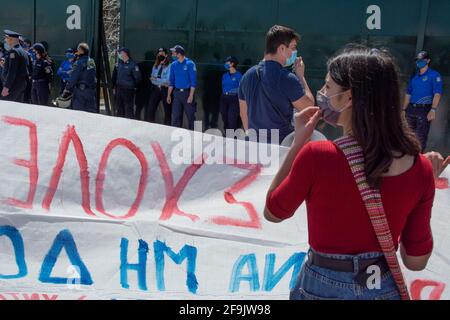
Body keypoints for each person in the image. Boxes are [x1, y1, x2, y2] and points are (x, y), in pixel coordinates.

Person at [265, 45, 436, 300]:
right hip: (382, 287)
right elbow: (415, 261)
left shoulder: (318, 156)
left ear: (349, 98)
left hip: (320, 286)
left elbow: (273, 211)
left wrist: (299, 141)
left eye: (329, 87)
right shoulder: (420, 168)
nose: (323, 94)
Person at [238, 25, 314, 144]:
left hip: (254, 146)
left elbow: (243, 114)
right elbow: (309, 108)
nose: (294, 52)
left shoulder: (247, 76)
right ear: (282, 49)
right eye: (293, 47)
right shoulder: (288, 79)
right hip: (280, 147)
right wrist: (301, 76)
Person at [403, 51, 443, 152]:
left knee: (420, 137)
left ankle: (419, 159)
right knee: (407, 135)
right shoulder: (414, 76)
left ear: (428, 60)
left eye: (422, 60)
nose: (419, 62)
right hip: (411, 108)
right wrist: (404, 109)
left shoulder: (434, 75)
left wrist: (433, 109)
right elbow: (408, 94)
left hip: (424, 109)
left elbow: (437, 94)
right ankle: (407, 158)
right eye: (418, 60)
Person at [61, 43, 97, 113]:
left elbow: (73, 77)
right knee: (90, 115)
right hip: (91, 92)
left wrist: (67, 89)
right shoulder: (92, 61)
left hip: (80, 93)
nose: (77, 52)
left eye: (78, 50)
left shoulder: (78, 62)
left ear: (81, 51)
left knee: (78, 114)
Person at [167, 45, 197, 130]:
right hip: (177, 93)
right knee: (176, 116)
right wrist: (169, 95)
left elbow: (193, 82)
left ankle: (194, 137)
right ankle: (176, 136)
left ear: (179, 54)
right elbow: (171, 81)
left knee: (190, 116)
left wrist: (191, 96)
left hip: (187, 93)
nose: (172, 54)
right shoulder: (173, 65)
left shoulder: (190, 64)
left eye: (174, 53)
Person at [112, 47, 142, 119]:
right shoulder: (118, 64)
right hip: (119, 89)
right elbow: (114, 76)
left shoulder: (133, 65)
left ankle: (129, 126)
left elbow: (138, 78)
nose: (119, 54)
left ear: (125, 54)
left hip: (128, 90)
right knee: (119, 108)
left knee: (128, 109)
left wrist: (133, 87)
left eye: (120, 53)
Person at [1, 30, 30, 102]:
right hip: (20, 84)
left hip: (14, 84)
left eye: (6, 38)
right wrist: (4, 65)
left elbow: (12, 71)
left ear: (10, 39)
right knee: (15, 108)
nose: (5, 40)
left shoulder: (14, 51)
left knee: (5, 105)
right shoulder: (22, 51)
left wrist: (6, 87)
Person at [147, 48, 172, 125]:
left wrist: (156, 79)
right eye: (159, 53)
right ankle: (151, 126)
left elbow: (167, 81)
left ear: (166, 55)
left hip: (165, 90)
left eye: (162, 53)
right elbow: (151, 79)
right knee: (150, 109)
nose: (160, 55)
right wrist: (160, 80)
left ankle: (166, 127)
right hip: (155, 89)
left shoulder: (170, 66)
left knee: (167, 111)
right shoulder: (155, 65)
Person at [220, 56, 242, 132]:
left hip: (234, 99)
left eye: (227, 62)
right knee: (224, 116)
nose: (225, 64)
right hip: (224, 98)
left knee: (231, 118)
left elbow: (241, 89)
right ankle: (227, 133)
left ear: (232, 63)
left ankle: (232, 138)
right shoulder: (224, 75)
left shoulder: (239, 76)